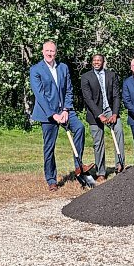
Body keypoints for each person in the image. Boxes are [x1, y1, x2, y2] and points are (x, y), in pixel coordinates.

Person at [30, 40, 93, 191]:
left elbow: (69, 90)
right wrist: (53, 114)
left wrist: (65, 109)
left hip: (65, 111)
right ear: (42, 52)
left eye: (52, 51)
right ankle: (51, 179)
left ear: (56, 52)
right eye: (47, 51)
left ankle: (79, 168)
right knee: (49, 147)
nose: (50, 54)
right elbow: (40, 95)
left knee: (79, 128)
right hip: (47, 114)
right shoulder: (36, 69)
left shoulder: (63, 67)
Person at [81, 54, 125, 182]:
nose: (97, 62)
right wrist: (99, 115)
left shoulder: (111, 75)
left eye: (99, 60)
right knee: (98, 141)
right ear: (92, 62)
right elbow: (87, 99)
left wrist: (115, 113)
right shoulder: (86, 77)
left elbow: (116, 96)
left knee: (119, 132)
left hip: (110, 109)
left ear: (103, 62)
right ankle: (101, 172)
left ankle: (120, 166)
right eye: (94, 60)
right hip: (95, 112)